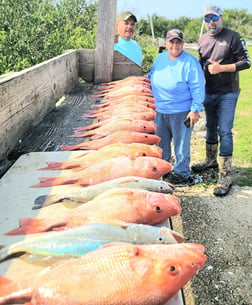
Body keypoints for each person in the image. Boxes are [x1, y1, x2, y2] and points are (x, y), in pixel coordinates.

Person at [191, 4, 251, 196]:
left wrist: (222, 68)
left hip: (228, 93)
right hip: (208, 92)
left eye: (214, 18)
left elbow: (246, 62)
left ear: (221, 18)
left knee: (225, 131)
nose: (211, 22)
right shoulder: (202, 39)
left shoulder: (233, 37)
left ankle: (225, 175)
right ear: (204, 21)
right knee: (210, 127)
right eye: (207, 19)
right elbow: (200, 65)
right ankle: (210, 161)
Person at [148, 29, 205, 185]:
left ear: (182, 43)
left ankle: (181, 173)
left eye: (178, 41)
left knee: (181, 146)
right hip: (159, 110)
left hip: (182, 112)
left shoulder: (190, 62)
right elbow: (150, 77)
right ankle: (164, 169)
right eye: (171, 42)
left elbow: (198, 87)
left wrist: (195, 109)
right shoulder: (159, 59)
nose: (175, 45)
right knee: (161, 145)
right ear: (166, 43)